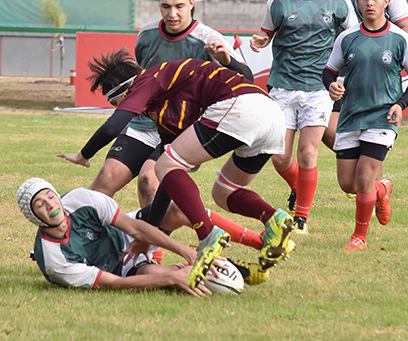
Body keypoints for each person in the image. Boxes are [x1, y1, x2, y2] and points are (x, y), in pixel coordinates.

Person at [58, 50, 293, 289]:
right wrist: (148, 235)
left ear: (124, 91)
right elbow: (167, 181)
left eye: (115, 102)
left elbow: (113, 127)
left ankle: (208, 235)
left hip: (241, 105)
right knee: (224, 191)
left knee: (168, 165)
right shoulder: (165, 108)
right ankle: (273, 218)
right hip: (272, 115)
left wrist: (83, 155)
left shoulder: (147, 80)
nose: (119, 108)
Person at [88, 0, 252, 208]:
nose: (172, 14)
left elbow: (246, 80)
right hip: (144, 124)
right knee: (105, 181)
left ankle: (153, 243)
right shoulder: (146, 35)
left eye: (179, 6)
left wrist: (228, 61)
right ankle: (80, 241)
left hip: (181, 131)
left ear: (191, 4)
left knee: (148, 179)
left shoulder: (209, 39)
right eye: (165, 6)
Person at [250, 0, 357, 234]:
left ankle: (301, 217)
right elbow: (266, 35)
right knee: (280, 156)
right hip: (283, 87)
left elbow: (353, 41)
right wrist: (259, 42)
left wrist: (343, 78)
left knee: (308, 153)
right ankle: (299, 187)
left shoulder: (339, 2)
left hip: (319, 88)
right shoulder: (279, 1)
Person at [16, 177, 267, 293]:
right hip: (118, 270)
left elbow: (134, 228)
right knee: (173, 277)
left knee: (177, 210)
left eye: (50, 196)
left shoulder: (80, 199)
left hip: (125, 240)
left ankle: (256, 241)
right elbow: (114, 283)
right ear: (33, 217)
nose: (50, 205)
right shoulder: (55, 260)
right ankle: (231, 270)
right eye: (40, 205)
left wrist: (186, 250)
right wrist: (173, 278)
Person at [323, 0, 408, 251]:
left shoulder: (401, 39)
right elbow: (329, 71)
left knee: (365, 176)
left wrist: (399, 105)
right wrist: (331, 86)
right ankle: (382, 189)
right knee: (348, 183)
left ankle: (359, 237)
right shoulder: (347, 37)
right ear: (358, 2)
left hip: (382, 118)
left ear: (387, 2)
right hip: (350, 117)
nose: (370, 3)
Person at [324, 0, 408, 151]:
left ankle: (370, 178)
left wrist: (385, 56)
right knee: (325, 128)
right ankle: (371, 181)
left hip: (371, 75)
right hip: (338, 72)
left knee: (372, 138)